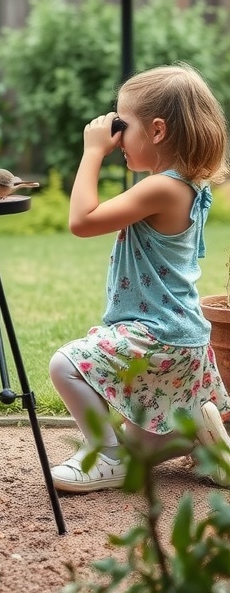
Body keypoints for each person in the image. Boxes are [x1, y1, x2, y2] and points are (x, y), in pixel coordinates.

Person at [49, 63, 230, 493]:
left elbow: (82, 220)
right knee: (141, 448)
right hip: (183, 333)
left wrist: (92, 151)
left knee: (66, 364)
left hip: (158, 333)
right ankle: (195, 439)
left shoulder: (162, 189)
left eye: (122, 125)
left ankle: (104, 458)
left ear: (158, 131)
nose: (114, 135)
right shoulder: (185, 184)